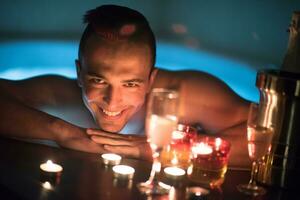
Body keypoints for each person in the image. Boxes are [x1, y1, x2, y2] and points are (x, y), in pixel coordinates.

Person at [0, 5, 250, 167]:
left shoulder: (185, 94)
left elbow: (268, 134)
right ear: (79, 73)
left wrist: (160, 150)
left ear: (151, 80)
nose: (112, 100)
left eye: (130, 84)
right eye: (98, 80)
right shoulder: (62, 94)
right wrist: (65, 133)